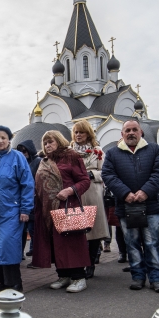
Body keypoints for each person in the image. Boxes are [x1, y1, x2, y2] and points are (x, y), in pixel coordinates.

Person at [102, 120, 159, 292]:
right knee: (132, 243)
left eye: (134, 130)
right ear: (122, 134)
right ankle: (138, 276)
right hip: (126, 206)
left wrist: (145, 191)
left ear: (141, 132)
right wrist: (125, 193)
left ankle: (156, 278)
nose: (131, 133)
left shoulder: (153, 150)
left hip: (150, 205)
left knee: (152, 243)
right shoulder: (112, 153)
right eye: (127, 130)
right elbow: (108, 175)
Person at [32, 130, 91, 292]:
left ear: (59, 141)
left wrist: (70, 190)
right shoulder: (45, 161)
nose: (47, 145)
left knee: (71, 242)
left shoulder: (71, 156)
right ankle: (63, 275)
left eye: (51, 141)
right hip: (48, 209)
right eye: (45, 143)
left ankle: (79, 277)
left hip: (67, 206)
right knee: (55, 243)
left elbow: (85, 180)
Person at [0, 126, 34, 291]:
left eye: (3, 137)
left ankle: (15, 282)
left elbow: (27, 184)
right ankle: (3, 281)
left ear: (9, 139)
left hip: (11, 210)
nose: (0, 141)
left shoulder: (17, 157)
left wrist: (25, 209)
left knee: (8, 245)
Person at [70, 119, 109, 278]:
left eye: (82, 132)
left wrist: (91, 174)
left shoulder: (97, 151)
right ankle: (79, 263)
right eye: (76, 132)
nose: (78, 135)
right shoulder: (69, 151)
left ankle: (91, 263)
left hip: (93, 191)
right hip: (75, 193)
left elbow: (105, 171)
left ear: (88, 134)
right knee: (77, 230)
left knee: (93, 230)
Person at [15, 139, 41, 259]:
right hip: (22, 199)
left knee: (33, 229)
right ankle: (20, 253)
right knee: (21, 230)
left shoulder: (38, 161)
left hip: (34, 199)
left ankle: (36, 256)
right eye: (21, 151)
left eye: (25, 150)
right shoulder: (20, 163)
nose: (23, 153)